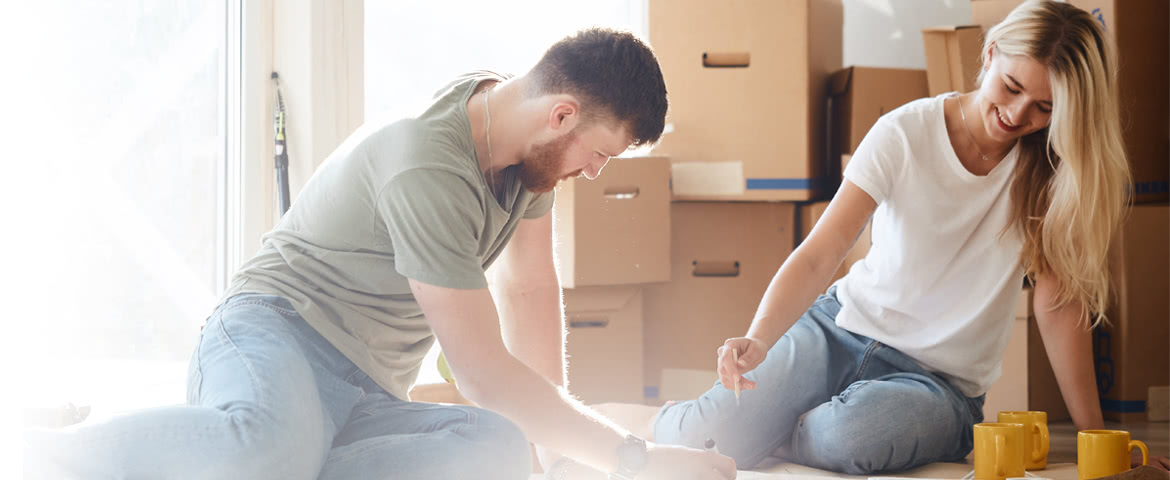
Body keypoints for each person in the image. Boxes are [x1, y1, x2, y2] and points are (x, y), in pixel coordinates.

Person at [24, 27, 737, 480]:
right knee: (263, 450)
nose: (594, 173)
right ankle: (41, 454)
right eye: (600, 155)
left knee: (493, 453)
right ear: (562, 116)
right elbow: (487, 373)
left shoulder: (526, 155)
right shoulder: (428, 165)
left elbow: (527, 293)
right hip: (275, 332)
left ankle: (270, 457)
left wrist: (553, 452)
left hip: (366, 389)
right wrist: (632, 459)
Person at [642, 0, 1169, 474]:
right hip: (837, 330)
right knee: (700, 439)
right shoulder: (904, 132)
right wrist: (760, 338)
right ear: (989, 56)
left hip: (937, 383)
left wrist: (1096, 436)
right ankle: (718, 420)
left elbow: (1056, 306)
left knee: (847, 436)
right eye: (1011, 88)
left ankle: (778, 427)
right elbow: (823, 251)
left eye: (1044, 108)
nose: (1017, 114)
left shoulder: (1053, 173)